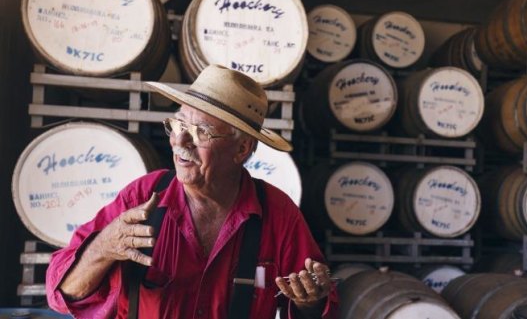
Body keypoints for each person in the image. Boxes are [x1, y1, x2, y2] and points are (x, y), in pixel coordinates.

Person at [46, 65, 338, 318]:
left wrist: (310, 303)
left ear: (242, 148)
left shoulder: (277, 213)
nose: (180, 141)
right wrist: (103, 247)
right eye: (178, 124)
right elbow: (61, 295)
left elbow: (316, 306)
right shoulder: (143, 196)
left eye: (201, 132)